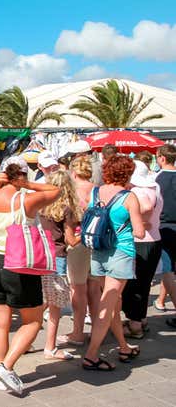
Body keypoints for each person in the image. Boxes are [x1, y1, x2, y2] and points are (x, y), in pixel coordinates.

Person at [0, 156, 59, 395]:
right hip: (19, 264)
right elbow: (55, 189)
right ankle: (6, 367)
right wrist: (27, 185)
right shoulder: (27, 201)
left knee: (0, 323)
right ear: (23, 176)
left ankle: (1, 371)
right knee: (33, 321)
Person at [82, 156, 145, 372]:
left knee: (113, 303)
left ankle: (124, 346)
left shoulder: (96, 192)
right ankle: (91, 355)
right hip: (121, 253)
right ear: (127, 174)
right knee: (107, 304)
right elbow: (139, 231)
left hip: (99, 251)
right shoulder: (129, 197)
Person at [38, 170, 81, 361]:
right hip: (57, 257)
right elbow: (71, 240)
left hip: (39, 256)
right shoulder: (66, 209)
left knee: (41, 302)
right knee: (54, 306)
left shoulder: (39, 206)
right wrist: (86, 234)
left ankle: (27, 338)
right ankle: (50, 347)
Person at [121, 160, 163, 338]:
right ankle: (141, 319)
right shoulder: (155, 188)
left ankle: (135, 325)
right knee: (144, 284)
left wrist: (137, 219)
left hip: (141, 242)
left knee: (134, 285)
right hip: (154, 240)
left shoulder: (137, 191)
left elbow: (146, 207)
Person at [65, 155, 96, 342]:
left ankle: (77, 332)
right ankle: (97, 329)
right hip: (97, 242)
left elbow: (68, 220)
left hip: (77, 242)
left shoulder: (72, 192)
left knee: (77, 289)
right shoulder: (97, 190)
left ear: (74, 172)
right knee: (94, 289)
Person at [155, 144, 176, 328]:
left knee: (167, 269)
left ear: (162, 158)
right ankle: (161, 300)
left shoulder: (157, 180)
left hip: (163, 227)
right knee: (168, 269)